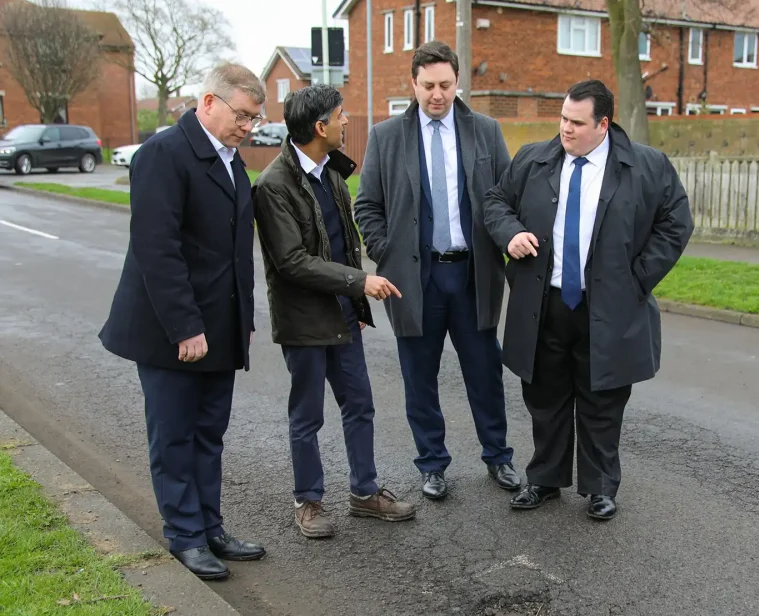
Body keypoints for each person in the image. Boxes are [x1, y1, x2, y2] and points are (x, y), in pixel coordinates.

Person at [483, 79, 694, 520]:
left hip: (610, 307)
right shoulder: (534, 159)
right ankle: (544, 479)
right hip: (546, 303)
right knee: (545, 395)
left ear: (603, 123)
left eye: (576, 122)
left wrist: (638, 279)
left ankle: (600, 487)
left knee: (603, 400)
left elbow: (676, 221)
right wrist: (510, 234)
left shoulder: (646, 166)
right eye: (562, 118)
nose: (566, 129)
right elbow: (496, 201)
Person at [98, 64, 267, 579]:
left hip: (219, 325)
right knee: (173, 435)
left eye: (255, 119)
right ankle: (185, 535)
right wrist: (184, 327)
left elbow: (238, 254)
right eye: (242, 115)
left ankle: (210, 526)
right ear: (209, 102)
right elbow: (158, 251)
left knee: (209, 434)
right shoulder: (162, 156)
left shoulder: (234, 163)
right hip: (170, 332)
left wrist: (245, 317)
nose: (248, 127)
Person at [354, 41, 520, 500]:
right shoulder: (387, 137)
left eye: (446, 85)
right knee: (419, 377)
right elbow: (367, 205)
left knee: (485, 372)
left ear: (457, 81)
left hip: (471, 275)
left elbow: (505, 197)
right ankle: (432, 464)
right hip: (414, 280)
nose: (437, 95)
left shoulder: (484, 131)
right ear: (413, 84)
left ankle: (498, 457)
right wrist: (387, 254)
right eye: (428, 86)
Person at [251, 85, 416, 537]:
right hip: (303, 321)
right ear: (321, 127)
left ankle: (365, 493)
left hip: (343, 315)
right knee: (307, 416)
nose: (347, 123)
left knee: (359, 405)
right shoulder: (273, 186)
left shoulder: (334, 175)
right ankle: (309, 502)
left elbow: (343, 246)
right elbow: (292, 262)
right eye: (341, 117)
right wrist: (361, 282)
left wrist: (356, 300)